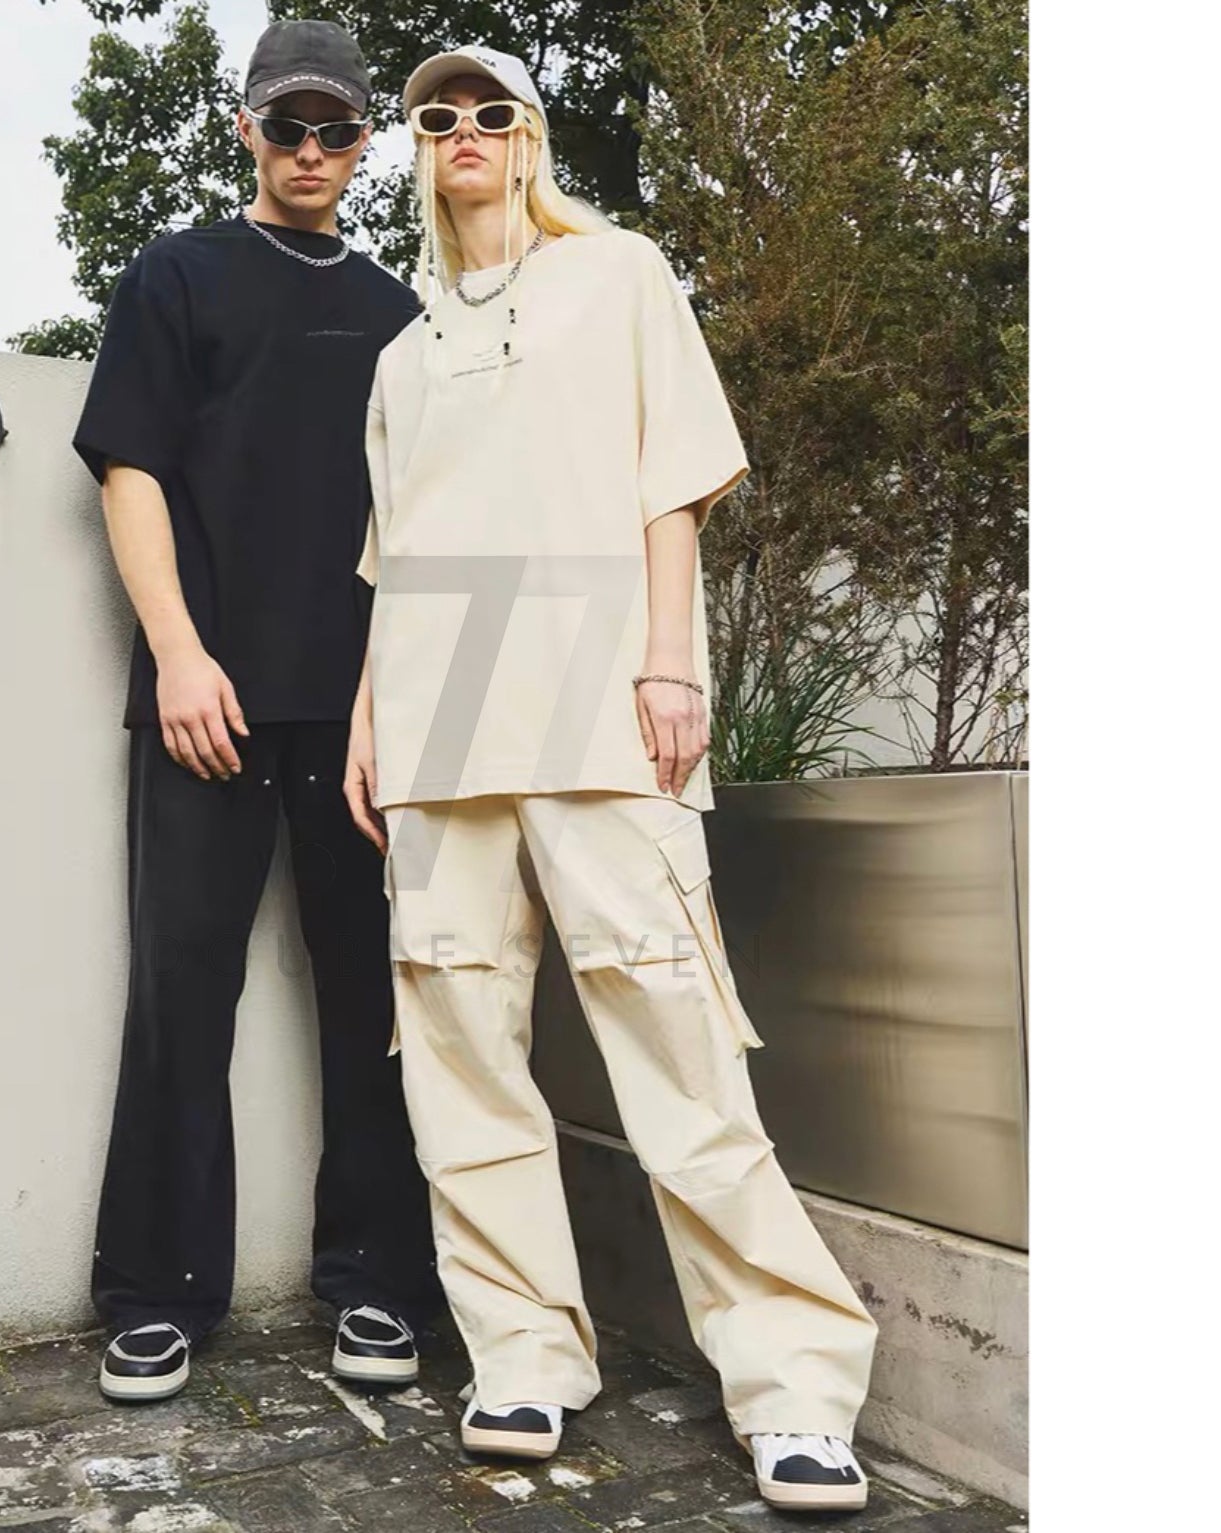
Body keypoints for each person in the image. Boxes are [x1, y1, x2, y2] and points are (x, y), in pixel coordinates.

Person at [344, 45, 879, 1513]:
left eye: (489, 111)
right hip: (436, 718)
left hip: (598, 700)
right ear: (418, 146)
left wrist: (670, 663)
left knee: (677, 1042)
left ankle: (792, 1378)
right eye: (436, 116)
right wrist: (368, 721)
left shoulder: (620, 275)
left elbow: (670, 484)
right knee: (457, 1057)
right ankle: (521, 1350)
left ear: (529, 136)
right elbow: (395, 559)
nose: (463, 130)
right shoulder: (401, 356)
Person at [70, 18, 441, 1406]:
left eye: (334, 130)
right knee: (181, 994)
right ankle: (155, 1294)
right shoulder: (175, 274)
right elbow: (130, 471)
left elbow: (422, 527)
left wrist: (386, 702)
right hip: (205, 702)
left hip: (361, 719)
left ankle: (378, 1283)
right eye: (287, 126)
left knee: (375, 998)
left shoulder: (403, 315)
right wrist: (177, 653)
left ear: (364, 145)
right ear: (247, 130)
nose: (309, 151)